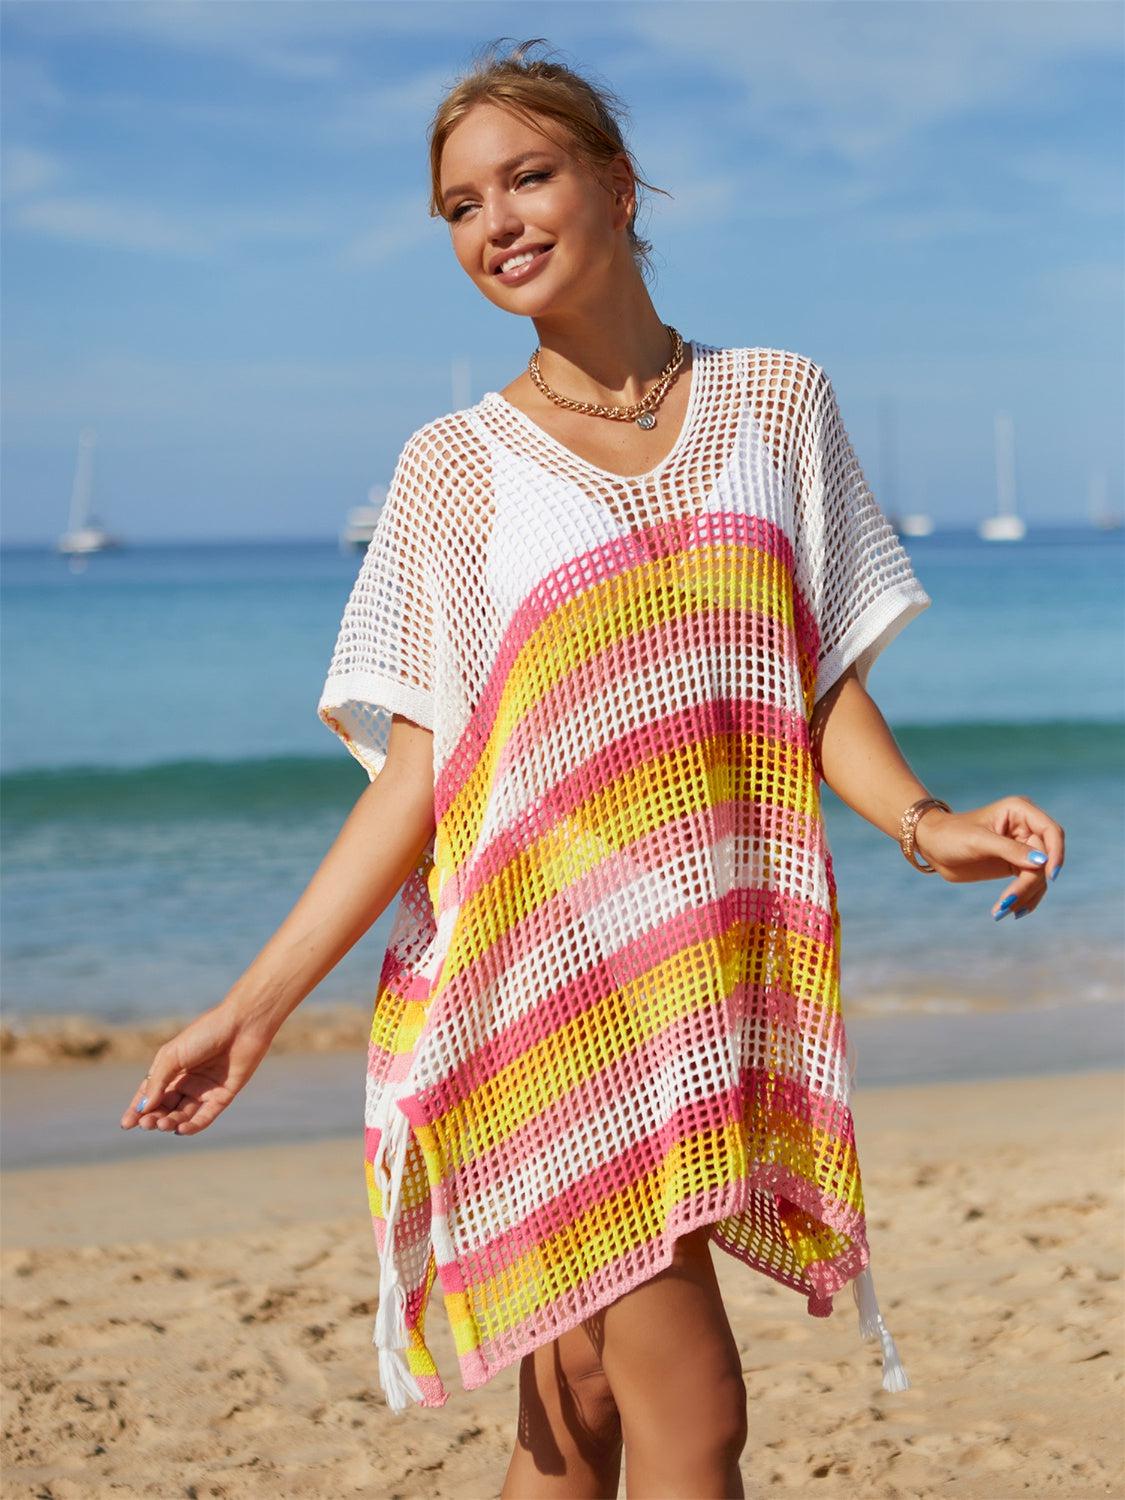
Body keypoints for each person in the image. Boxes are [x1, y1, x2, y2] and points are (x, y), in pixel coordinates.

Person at [120, 37, 1066, 1500]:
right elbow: (416, 777)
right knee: (698, 1423)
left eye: (527, 177)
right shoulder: (454, 467)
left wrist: (928, 825)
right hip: (526, 996)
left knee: (577, 1426)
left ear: (620, 187)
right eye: (457, 206)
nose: (492, 222)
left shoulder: (775, 403)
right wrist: (248, 1014)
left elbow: (805, 683)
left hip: (698, 979)